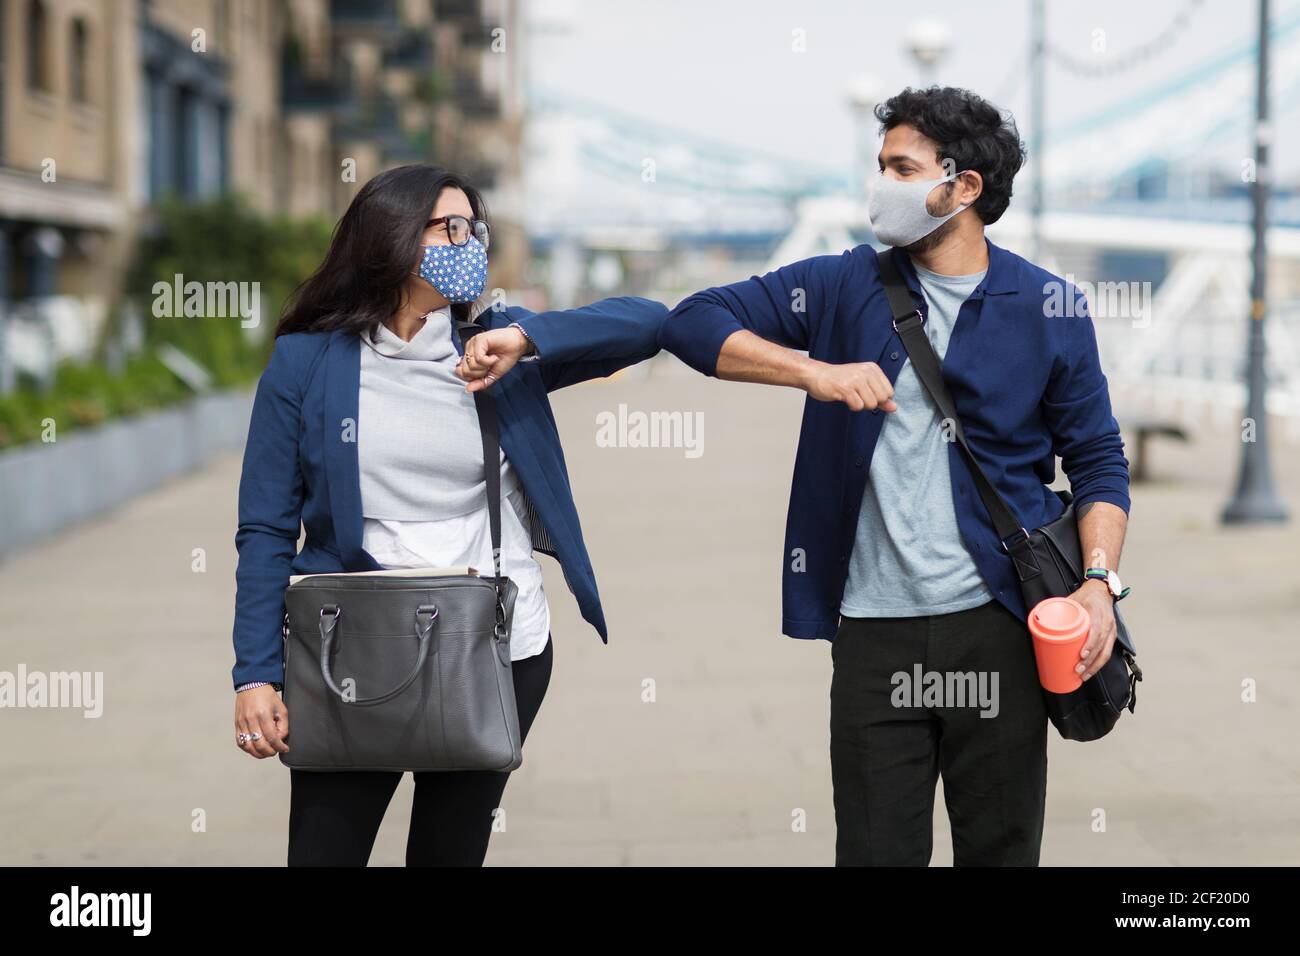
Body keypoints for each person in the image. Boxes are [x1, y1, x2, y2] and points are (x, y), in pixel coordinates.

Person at [658, 86, 1132, 866]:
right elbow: (693, 321)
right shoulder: (847, 284)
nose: (880, 184)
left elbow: (1098, 461)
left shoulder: (1050, 305)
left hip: (1003, 629)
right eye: (880, 166)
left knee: (1002, 850)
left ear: (963, 186)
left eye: (900, 168)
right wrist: (810, 372)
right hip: (875, 637)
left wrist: (1097, 583)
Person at [230, 164, 668, 866]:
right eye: (450, 228)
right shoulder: (306, 363)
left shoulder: (498, 348)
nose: (470, 244)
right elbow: (265, 530)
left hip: (488, 649)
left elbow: (650, 324)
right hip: (353, 651)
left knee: (447, 855)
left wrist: (527, 339)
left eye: (475, 229)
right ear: (392, 238)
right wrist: (254, 674)